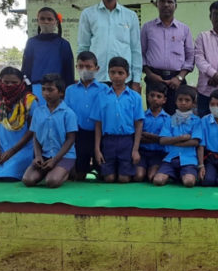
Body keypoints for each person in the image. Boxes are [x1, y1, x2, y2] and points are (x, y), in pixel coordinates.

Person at [78, 0, 142, 92]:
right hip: (95, 78)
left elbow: (136, 50)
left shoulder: (130, 16)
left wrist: (136, 80)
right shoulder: (88, 14)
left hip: (123, 80)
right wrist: (84, 77)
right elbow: (83, 48)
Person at [90, 57, 144, 183]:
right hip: (108, 140)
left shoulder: (135, 97)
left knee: (123, 179)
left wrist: (135, 150)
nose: (116, 76)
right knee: (109, 178)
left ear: (127, 75)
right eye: (113, 72)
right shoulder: (102, 96)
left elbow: (139, 124)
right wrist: (97, 149)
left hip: (127, 141)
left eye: (121, 73)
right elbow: (98, 124)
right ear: (108, 73)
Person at [141, 0, 194, 114]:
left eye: (170, 2)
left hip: (177, 80)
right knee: (154, 117)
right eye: (162, 1)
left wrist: (179, 78)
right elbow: (141, 54)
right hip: (154, 79)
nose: (166, 5)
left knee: (177, 117)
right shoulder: (147, 28)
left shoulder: (184, 29)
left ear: (175, 6)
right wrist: (149, 74)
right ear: (156, 4)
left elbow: (190, 57)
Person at [0, 67, 37, 181]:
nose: (10, 85)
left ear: (22, 83)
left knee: (9, 177)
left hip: (22, 148)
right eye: (6, 82)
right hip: (1, 148)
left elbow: (32, 129)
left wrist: (13, 151)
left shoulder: (30, 101)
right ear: (1, 82)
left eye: (14, 82)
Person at [22, 74, 77, 188]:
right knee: (28, 180)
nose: (46, 93)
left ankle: (66, 171)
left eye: (51, 90)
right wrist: (38, 156)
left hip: (64, 156)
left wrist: (55, 160)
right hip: (44, 155)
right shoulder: (38, 112)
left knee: (52, 182)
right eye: (43, 89)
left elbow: (70, 139)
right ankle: (48, 170)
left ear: (61, 93)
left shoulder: (68, 113)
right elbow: (36, 136)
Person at [65, 51, 108, 180]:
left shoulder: (104, 89)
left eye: (88, 67)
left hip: (99, 135)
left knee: (104, 175)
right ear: (76, 67)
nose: (84, 70)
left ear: (97, 68)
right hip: (79, 135)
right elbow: (67, 114)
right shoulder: (70, 90)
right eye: (81, 66)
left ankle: (97, 169)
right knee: (78, 175)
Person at [21, 7, 74, 105]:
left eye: (49, 19)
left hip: (57, 89)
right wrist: (27, 89)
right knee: (37, 117)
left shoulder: (63, 44)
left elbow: (69, 72)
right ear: (38, 21)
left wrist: (65, 92)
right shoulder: (31, 42)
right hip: (36, 89)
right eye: (42, 18)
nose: (46, 21)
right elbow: (26, 68)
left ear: (56, 22)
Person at [154, 85, 201, 187]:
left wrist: (173, 141)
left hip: (189, 159)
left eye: (187, 100)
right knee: (158, 180)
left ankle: (181, 174)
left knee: (189, 182)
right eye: (180, 99)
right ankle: (175, 174)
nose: (183, 102)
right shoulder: (169, 119)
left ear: (193, 104)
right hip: (170, 158)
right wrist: (181, 138)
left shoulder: (197, 121)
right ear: (175, 101)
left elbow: (195, 142)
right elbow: (162, 140)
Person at [135, 82, 171, 182]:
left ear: (164, 100)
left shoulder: (168, 119)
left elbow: (164, 139)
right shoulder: (142, 116)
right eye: (152, 95)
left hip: (158, 153)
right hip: (142, 152)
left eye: (159, 96)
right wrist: (157, 138)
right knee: (139, 176)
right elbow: (138, 137)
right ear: (147, 97)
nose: (155, 98)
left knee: (152, 177)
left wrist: (147, 135)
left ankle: (152, 169)